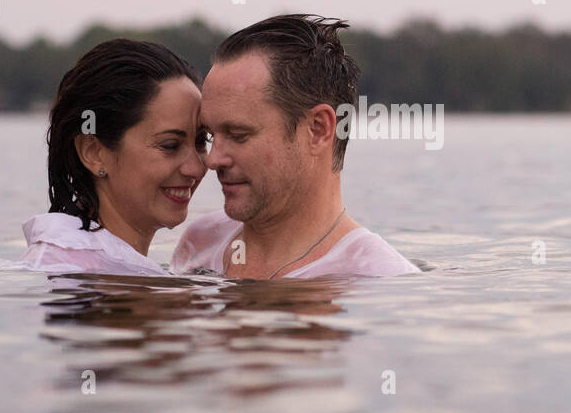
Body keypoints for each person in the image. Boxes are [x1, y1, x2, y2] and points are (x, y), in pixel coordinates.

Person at [171, 14, 419, 279]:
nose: (212, 160)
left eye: (238, 134)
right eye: (210, 136)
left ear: (318, 130)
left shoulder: (373, 276)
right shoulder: (201, 242)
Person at [17, 38, 208, 276]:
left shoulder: (90, 264)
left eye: (201, 141)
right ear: (94, 153)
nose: (196, 168)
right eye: (170, 145)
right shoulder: (72, 271)